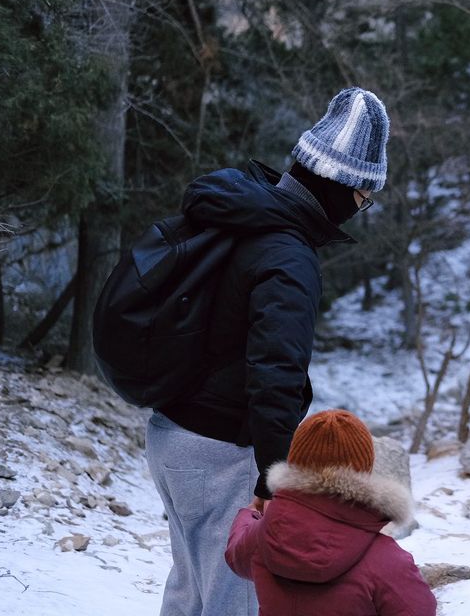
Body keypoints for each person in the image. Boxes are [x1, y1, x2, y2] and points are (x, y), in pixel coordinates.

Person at [145, 87, 390, 616]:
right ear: (341, 185)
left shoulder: (241, 217)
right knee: (234, 596)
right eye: (364, 198)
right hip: (217, 449)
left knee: (191, 589)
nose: (361, 210)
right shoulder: (288, 255)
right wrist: (274, 474)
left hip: (170, 433)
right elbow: (276, 371)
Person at [225, 409, 437, 616]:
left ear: (295, 462)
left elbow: (235, 556)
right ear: (364, 469)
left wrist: (249, 513)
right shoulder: (386, 559)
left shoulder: (263, 536)